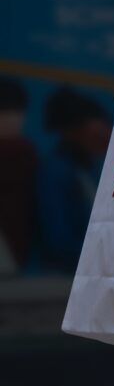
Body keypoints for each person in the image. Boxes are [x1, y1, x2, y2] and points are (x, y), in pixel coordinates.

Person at [29, 87, 111, 275]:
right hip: (63, 276)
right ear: (74, 131)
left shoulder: (87, 170)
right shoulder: (56, 172)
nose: (105, 140)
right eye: (98, 136)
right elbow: (58, 240)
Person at [0, 78, 38, 274]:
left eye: (17, 112)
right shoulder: (25, 153)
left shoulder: (26, 154)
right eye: (5, 112)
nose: (13, 119)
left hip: (21, 259)